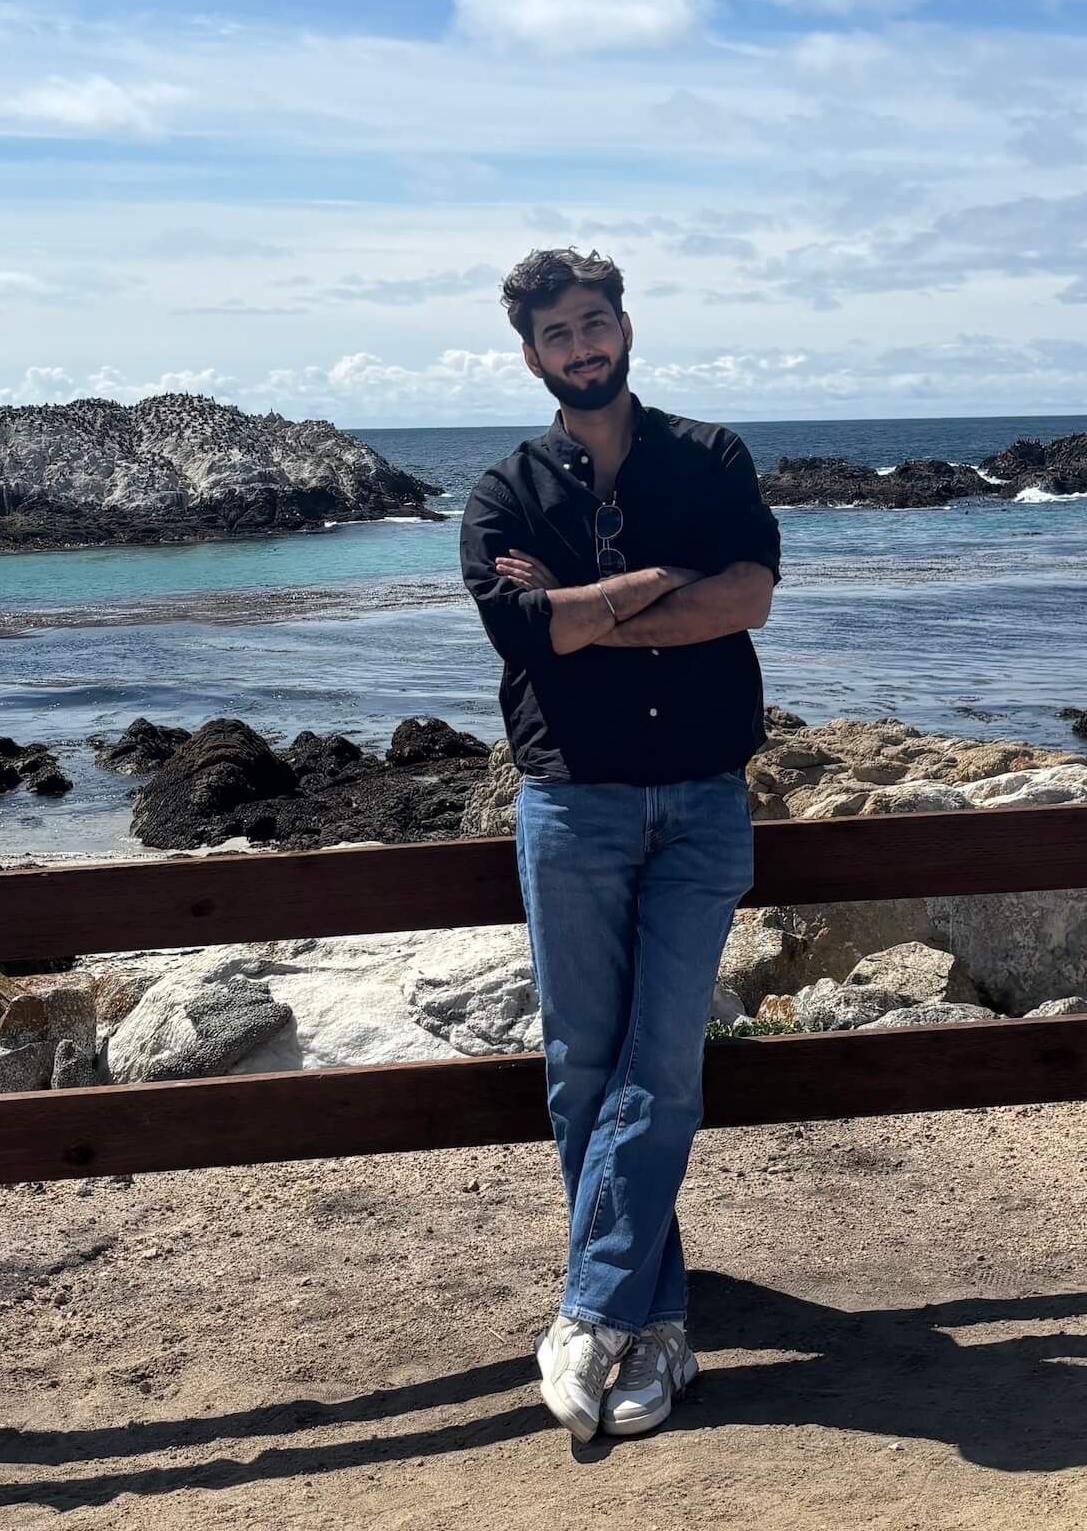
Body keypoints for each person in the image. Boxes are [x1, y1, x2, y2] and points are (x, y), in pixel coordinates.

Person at [459, 247, 781, 1443]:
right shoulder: (501, 492)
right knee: (581, 1071)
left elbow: (745, 598)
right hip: (573, 801)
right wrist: (654, 588)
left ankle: (590, 1311)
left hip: (701, 797)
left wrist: (591, 607)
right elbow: (527, 636)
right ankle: (658, 1327)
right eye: (559, 333)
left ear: (625, 326)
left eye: (596, 322)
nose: (583, 346)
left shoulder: (709, 458)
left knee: (664, 1066)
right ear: (532, 352)